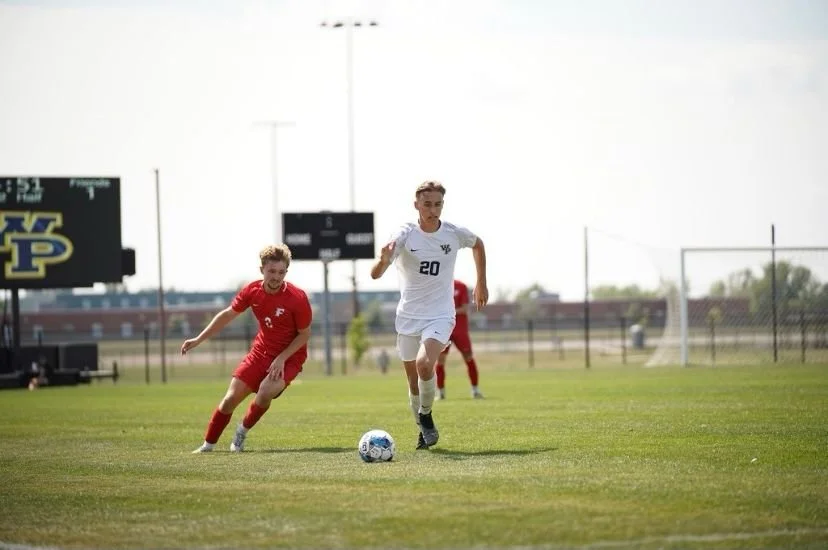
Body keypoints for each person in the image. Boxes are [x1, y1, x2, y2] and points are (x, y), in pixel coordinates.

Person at [370, 180, 488, 450]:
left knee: (425, 365)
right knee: (413, 383)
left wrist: (481, 282)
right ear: (416, 205)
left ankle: (426, 415)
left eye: (438, 204)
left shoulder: (453, 233)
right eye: (427, 205)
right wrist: (383, 260)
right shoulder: (404, 235)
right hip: (409, 317)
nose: (433, 210)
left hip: (440, 315)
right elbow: (375, 274)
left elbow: (478, 244)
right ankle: (422, 428)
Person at [182, 244, 312, 453]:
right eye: (272, 271)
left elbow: (304, 334)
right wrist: (198, 339)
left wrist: (281, 358)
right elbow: (227, 315)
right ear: (262, 269)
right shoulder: (252, 291)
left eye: (281, 272)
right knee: (229, 400)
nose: (276, 277)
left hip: (290, 357)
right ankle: (208, 446)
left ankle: (241, 432)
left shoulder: (297, 298)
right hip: (260, 353)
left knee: (265, 392)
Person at [435, 279, 483, 400]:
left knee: (469, 357)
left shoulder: (461, 286)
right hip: (444, 329)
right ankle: (440, 392)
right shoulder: (439, 285)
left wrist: (448, 312)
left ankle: (475, 390)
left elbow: (465, 308)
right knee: (440, 360)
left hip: (460, 329)